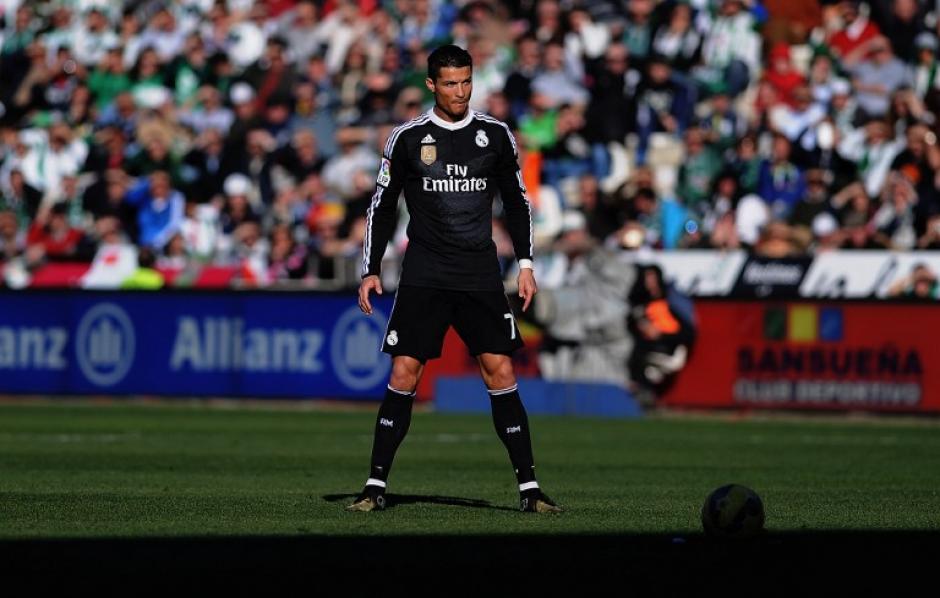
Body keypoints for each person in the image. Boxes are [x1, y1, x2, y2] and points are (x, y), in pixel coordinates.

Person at [347, 45, 561, 514]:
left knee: (501, 372)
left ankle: (530, 491)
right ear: (431, 85)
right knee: (404, 372)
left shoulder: (495, 135)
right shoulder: (406, 138)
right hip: (425, 271)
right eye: (450, 83)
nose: (460, 92)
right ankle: (374, 486)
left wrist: (525, 263)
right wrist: (370, 268)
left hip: (479, 272)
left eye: (466, 82)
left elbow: (517, 201)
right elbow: (381, 207)